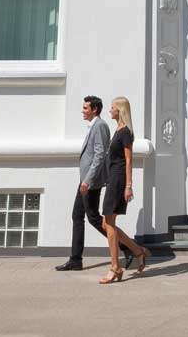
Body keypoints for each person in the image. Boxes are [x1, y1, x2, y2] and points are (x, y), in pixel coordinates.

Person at [56, 95, 111, 272]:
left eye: (85, 108)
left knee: (94, 218)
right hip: (85, 179)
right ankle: (75, 259)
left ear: (94, 109)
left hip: (90, 181)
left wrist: (87, 180)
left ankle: (125, 247)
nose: (82, 111)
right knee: (77, 216)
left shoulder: (100, 125)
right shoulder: (92, 126)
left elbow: (99, 155)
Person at [98, 96, 150, 284]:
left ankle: (115, 267)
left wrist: (129, 185)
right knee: (106, 224)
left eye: (112, 107)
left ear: (120, 110)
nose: (110, 110)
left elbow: (129, 160)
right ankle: (138, 251)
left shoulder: (126, 132)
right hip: (113, 178)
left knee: (108, 222)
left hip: (119, 180)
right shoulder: (118, 130)